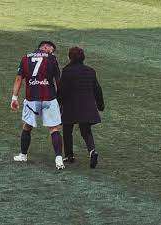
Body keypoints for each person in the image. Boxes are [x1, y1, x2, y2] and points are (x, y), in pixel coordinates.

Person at [11, 41, 65, 170]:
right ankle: (58, 159)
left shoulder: (25, 58)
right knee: (54, 128)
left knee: (27, 126)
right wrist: (60, 99)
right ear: (45, 47)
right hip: (49, 98)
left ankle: (23, 155)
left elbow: (19, 79)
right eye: (51, 49)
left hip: (31, 98)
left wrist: (14, 97)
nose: (52, 52)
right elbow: (58, 80)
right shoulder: (52, 59)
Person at [59, 47, 104, 168]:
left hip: (70, 105)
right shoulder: (90, 71)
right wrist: (100, 105)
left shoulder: (67, 71)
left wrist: (59, 104)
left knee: (67, 130)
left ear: (70, 57)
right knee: (86, 131)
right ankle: (92, 151)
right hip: (87, 105)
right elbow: (97, 89)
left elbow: (62, 90)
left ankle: (69, 156)